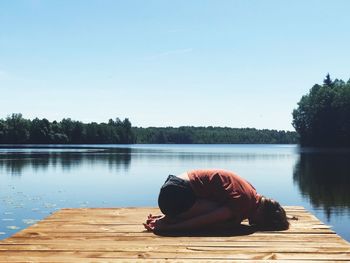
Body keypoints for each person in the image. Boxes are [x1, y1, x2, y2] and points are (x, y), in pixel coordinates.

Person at [143, 169, 290, 233]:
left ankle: (170, 217)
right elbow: (204, 220)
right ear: (263, 216)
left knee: (225, 213)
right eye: (261, 224)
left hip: (173, 187)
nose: (254, 224)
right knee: (221, 215)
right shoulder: (244, 202)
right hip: (176, 194)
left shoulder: (251, 191)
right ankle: (170, 219)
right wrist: (170, 228)